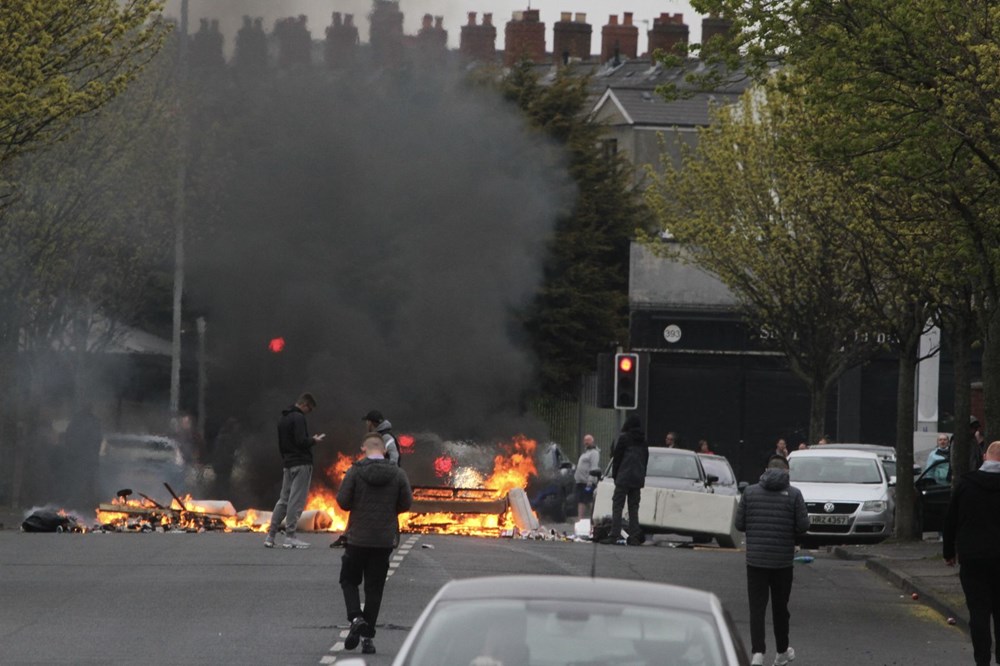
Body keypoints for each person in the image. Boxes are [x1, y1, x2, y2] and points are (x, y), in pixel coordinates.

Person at [336, 433, 413, 655]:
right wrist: (389, 512)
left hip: (358, 538)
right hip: (383, 541)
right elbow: (406, 503)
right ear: (384, 450)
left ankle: (356, 617)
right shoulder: (398, 473)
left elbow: (343, 501)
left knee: (348, 579)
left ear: (365, 449)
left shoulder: (355, 471)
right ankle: (367, 639)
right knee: (374, 588)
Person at [735, 454, 809, 666]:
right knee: (780, 608)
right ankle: (781, 651)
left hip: (756, 560)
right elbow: (803, 526)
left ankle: (758, 653)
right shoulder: (794, 495)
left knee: (757, 608)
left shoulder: (749, 492)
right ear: (786, 471)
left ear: (766, 470)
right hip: (782, 561)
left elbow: (740, 524)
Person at [944, 440, 1000, 666]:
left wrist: (949, 551)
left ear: (986, 457)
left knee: (978, 611)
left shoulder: (966, 485)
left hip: (973, 556)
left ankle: (982, 659)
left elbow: (951, 519)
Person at [264, 393, 325, 549]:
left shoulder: (283, 418)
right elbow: (300, 441)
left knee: (283, 499)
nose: (308, 412)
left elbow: (282, 444)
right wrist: (314, 440)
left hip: (288, 463)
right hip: (301, 463)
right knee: (295, 500)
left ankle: (271, 535)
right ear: (304, 404)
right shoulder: (298, 418)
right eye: (309, 409)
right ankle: (290, 536)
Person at [601, 415, 648, 546]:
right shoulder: (643, 441)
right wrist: (641, 476)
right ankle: (633, 537)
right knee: (633, 508)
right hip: (637, 479)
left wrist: (616, 476)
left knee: (617, 506)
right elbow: (645, 460)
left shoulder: (624, 439)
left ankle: (614, 535)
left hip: (624, 477)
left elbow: (617, 459)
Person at [574, 434, 600, 519]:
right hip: (581, 482)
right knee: (581, 501)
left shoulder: (594, 453)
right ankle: (580, 519)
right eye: (585, 440)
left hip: (587, 482)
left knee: (589, 501)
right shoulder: (585, 453)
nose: (586, 442)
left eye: (588, 440)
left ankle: (595, 518)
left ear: (592, 441)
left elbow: (594, 466)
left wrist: (590, 481)